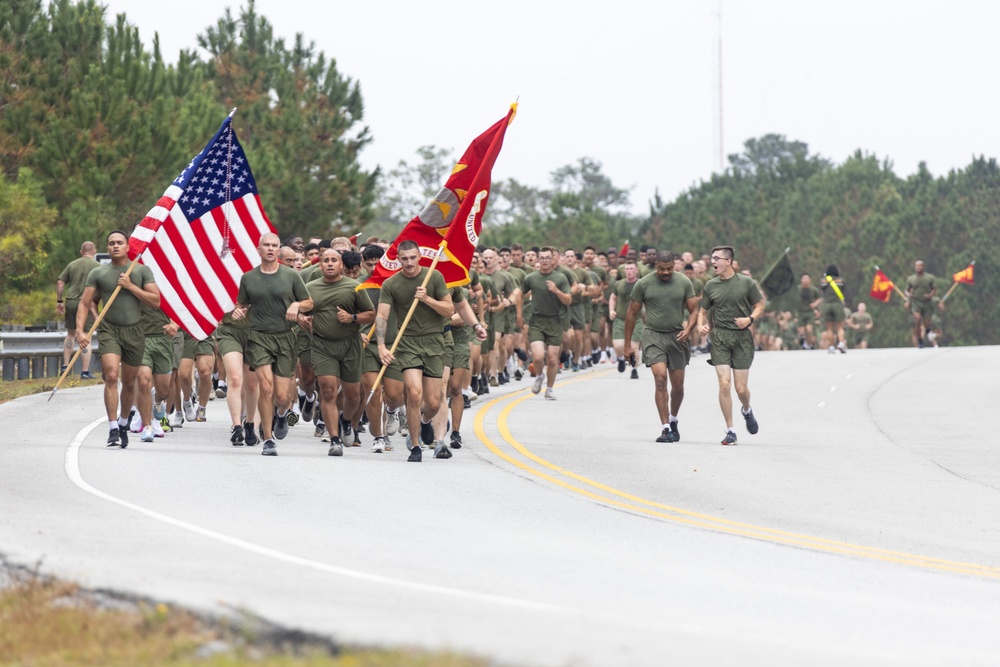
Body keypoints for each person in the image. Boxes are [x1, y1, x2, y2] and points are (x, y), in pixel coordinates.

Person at [77, 230, 161, 448]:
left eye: (119, 243)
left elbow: (155, 301)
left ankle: (124, 422)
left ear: (127, 247)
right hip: (109, 330)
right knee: (112, 376)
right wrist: (80, 331)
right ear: (107, 248)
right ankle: (113, 427)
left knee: (130, 382)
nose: (115, 246)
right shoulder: (99, 273)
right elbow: (85, 303)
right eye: (111, 243)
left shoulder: (141, 270)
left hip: (134, 331)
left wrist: (131, 286)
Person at [232, 233, 313, 456]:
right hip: (258, 337)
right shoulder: (248, 278)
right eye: (266, 245)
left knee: (282, 396)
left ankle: (280, 414)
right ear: (259, 250)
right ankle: (267, 438)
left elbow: (309, 302)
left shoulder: (291, 276)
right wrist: (240, 312)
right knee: (265, 388)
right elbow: (242, 304)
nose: (270, 249)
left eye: (274, 246)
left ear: (279, 250)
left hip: (286, 337)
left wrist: (296, 305)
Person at [376, 240, 454, 462]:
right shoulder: (391, 284)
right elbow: (382, 316)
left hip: (434, 343)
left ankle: (425, 421)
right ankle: (415, 445)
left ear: (420, 256)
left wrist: (427, 298)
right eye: (404, 258)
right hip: (408, 343)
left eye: (412, 257)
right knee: (414, 393)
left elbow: (449, 309)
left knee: (433, 402)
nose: (409, 262)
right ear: (398, 259)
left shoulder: (434, 277)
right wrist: (382, 346)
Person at [301, 249, 375, 457]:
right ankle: (334, 439)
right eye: (326, 261)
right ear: (320, 265)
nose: (330, 264)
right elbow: (301, 312)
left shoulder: (354, 287)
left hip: (350, 345)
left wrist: (351, 318)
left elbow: (371, 315)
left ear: (341, 264)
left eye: (334, 260)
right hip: (323, 346)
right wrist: (302, 319)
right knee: (328, 391)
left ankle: (345, 422)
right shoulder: (310, 288)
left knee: (353, 397)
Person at [624, 251, 699, 444]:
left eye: (669, 269)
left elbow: (694, 310)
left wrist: (689, 329)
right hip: (653, 336)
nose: (666, 273)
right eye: (661, 269)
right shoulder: (644, 284)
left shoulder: (684, 282)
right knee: (660, 379)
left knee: (679, 387)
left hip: (677, 337)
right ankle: (665, 428)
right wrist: (628, 346)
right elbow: (631, 314)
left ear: (675, 265)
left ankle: (673, 420)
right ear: (655, 265)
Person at [698, 245, 764, 446]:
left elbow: (760, 305)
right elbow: (703, 310)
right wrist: (703, 324)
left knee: (741, 389)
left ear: (728, 261)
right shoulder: (711, 285)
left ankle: (747, 410)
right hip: (719, 338)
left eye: (717, 258)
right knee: (724, 383)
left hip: (742, 338)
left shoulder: (746, 283)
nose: (713, 262)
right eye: (712, 258)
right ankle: (731, 430)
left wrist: (749, 319)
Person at [517, 246, 572, 400]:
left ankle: (549, 389)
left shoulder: (560, 278)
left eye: (548, 257)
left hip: (555, 321)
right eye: (542, 258)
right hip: (536, 321)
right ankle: (540, 376)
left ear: (553, 259)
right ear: (538, 260)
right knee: (538, 356)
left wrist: (556, 291)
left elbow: (568, 300)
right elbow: (519, 295)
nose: (545, 261)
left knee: (553, 359)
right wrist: (519, 315)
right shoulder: (531, 278)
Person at [56, 242, 101, 378]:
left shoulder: (72, 264)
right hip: (86, 303)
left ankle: (65, 366)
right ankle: (85, 371)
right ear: (95, 251)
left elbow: (60, 283)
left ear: (81, 251)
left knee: (70, 334)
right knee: (85, 336)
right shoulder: (98, 267)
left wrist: (59, 301)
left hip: (71, 302)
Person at [608, 260, 643, 378]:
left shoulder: (641, 284)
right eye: (627, 269)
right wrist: (611, 310)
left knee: (634, 346)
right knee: (618, 345)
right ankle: (620, 359)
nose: (629, 271)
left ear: (636, 270)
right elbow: (613, 298)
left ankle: (634, 369)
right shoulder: (619, 284)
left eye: (631, 269)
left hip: (636, 319)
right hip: (620, 318)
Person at [905, 260, 937, 348]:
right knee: (918, 320)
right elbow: (906, 290)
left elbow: (934, 289)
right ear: (915, 267)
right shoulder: (911, 279)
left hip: (927, 303)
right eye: (917, 266)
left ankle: (928, 330)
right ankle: (920, 340)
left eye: (920, 266)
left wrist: (930, 295)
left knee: (927, 323)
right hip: (916, 302)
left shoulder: (930, 278)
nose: (918, 267)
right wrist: (908, 295)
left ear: (923, 267)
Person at [819, 265, 848, 354]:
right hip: (837, 304)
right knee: (840, 326)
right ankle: (841, 343)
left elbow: (822, 290)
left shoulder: (823, 281)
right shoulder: (841, 280)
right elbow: (843, 290)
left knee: (829, 327)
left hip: (826, 304)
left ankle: (831, 346)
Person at [796, 274, 821, 349]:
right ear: (801, 280)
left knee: (809, 329)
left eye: (807, 278)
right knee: (802, 332)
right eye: (804, 278)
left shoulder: (813, 289)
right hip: (800, 312)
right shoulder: (798, 289)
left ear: (810, 280)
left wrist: (815, 304)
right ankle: (803, 340)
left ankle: (808, 345)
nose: (806, 280)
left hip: (810, 312)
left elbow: (819, 298)